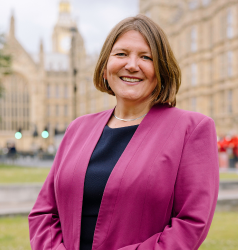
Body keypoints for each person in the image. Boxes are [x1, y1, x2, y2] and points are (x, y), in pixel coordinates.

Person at [28, 15, 219, 250]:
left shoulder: (192, 129)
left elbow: (191, 224)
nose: (131, 65)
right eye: (121, 54)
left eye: (146, 57)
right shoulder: (78, 128)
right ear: (105, 68)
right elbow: (43, 213)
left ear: (161, 70)